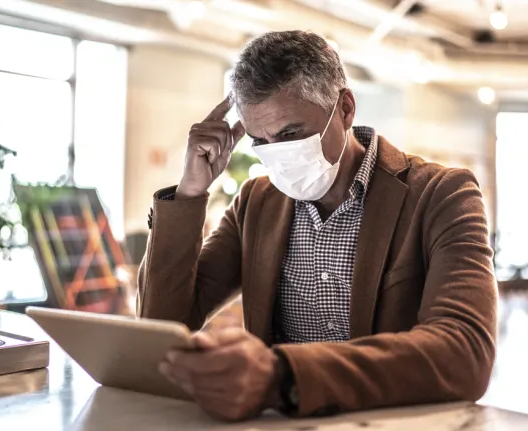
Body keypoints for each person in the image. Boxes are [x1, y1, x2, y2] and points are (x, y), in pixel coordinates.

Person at [138, 30, 497, 421]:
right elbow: (163, 326)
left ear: (345, 109)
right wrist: (190, 193)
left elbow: (465, 352)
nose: (278, 154)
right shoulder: (256, 203)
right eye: (260, 140)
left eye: (291, 133)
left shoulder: (441, 194)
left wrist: (284, 375)